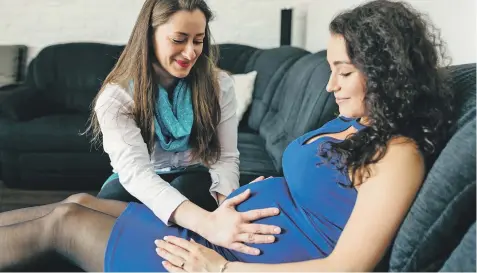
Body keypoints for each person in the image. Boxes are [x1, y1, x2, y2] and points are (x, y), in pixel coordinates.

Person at [0, 0, 454, 272]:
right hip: (223, 231)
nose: (330, 85)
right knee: (77, 201)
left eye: (344, 71)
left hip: (231, 257)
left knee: (63, 224)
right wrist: (224, 209)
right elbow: (134, 171)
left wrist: (220, 266)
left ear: (385, 74)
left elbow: (345, 267)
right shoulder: (355, 123)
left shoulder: (397, 154)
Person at [89, 0, 239, 213]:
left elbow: (225, 158)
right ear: (149, 37)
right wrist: (205, 223)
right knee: (105, 207)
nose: (190, 53)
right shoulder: (117, 96)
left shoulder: (220, 85)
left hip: (194, 176)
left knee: (186, 187)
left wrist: (228, 207)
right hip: (140, 180)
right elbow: (137, 173)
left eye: (198, 41)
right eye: (179, 40)